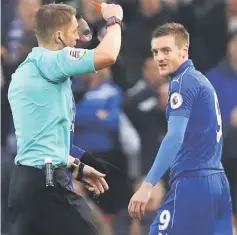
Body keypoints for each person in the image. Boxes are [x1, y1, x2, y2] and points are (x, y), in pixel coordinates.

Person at [8, 2, 123, 235]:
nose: (77, 39)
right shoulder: (53, 60)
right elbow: (108, 55)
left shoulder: (24, 71)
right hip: (48, 182)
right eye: (73, 32)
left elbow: (40, 141)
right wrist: (114, 20)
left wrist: (76, 166)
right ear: (59, 36)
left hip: (24, 181)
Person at [128, 23, 233, 235]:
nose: (159, 57)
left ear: (184, 51)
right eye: (155, 52)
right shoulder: (201, 80)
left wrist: (148, 185)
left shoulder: (182, 82)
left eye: (166, 50)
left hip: (193, 183)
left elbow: (174, 138)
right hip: (218, 183)